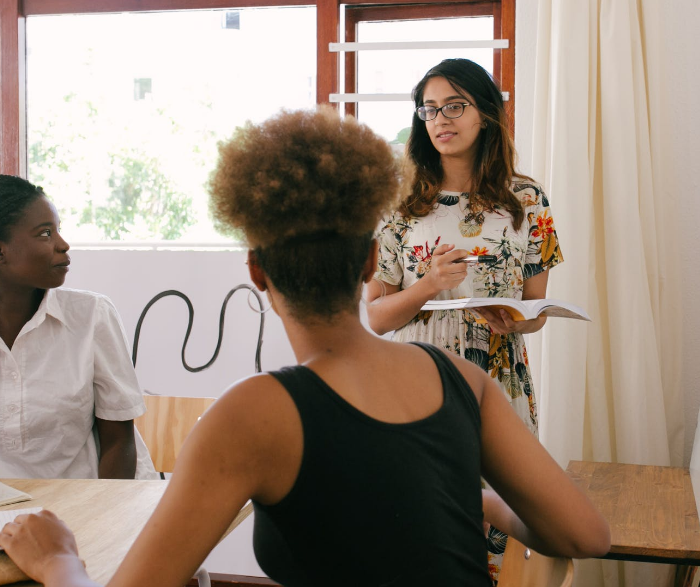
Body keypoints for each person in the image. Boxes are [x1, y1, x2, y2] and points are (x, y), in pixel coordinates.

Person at [0, 108, 609, 587]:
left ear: (257, 272)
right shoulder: (455, 376)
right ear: (372, 261)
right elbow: (587, 535)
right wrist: (482, 501)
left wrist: (56, 561)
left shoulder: (251, 413)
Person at [364, 58, 564, 579]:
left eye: (455, 105)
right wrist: (428, 285)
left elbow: (535, 307)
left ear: (486, 115)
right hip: (414, 381)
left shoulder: (527, 200)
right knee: (415, 531)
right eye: (429, 109)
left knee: (489, 538)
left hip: (497, 379)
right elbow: (376, 318)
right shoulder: (398, 205)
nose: (440, 119)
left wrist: (515, 320)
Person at [0, 175, 155, 480]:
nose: (63, 244)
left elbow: (119, 443)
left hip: (87, 510)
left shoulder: (91, 316)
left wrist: (104, 523)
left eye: (58, 230)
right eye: (45, 233)